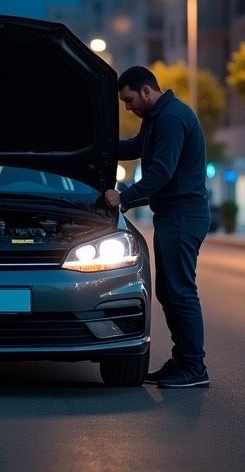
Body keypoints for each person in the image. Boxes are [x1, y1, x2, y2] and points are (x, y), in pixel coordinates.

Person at [104, 66, 211, 389]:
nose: (128, 107)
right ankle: (182, 361)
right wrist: (99, 144)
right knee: (168, 291)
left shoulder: (172, 118)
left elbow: (162, 172)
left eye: (130, 100)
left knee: (180, 291)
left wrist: (123, 198)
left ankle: (194, 367)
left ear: (147, 91)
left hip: (183, 216)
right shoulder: (156, 119)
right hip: (172, 215)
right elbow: (135, 148)